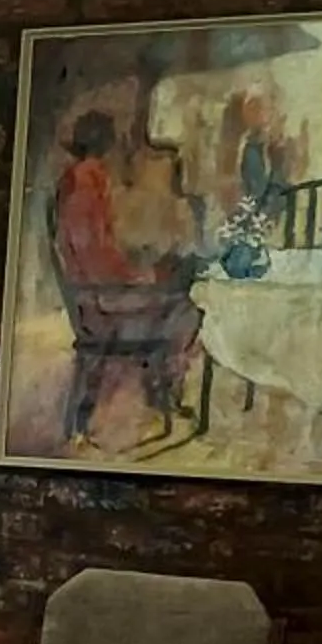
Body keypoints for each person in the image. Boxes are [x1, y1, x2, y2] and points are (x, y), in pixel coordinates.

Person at [49, 111, 201, 444]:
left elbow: (99, 248)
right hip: (101, 304)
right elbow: (95, 257)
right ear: (105, 143)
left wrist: (139, 266)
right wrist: (140, 276)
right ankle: (163, 390)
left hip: (95, 295)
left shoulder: (81, 178)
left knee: (175, 273)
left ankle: (159, 386)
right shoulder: (86, 182)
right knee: (188, 308)